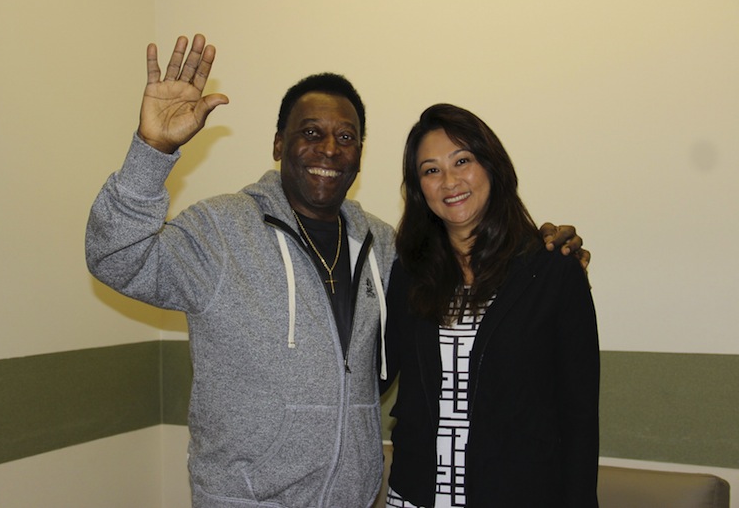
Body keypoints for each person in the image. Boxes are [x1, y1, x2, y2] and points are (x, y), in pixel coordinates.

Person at [86, 34, 586, 508]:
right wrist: (151, 152)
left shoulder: (388, 247)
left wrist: (538, 249)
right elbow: (117, 258)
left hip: (357, 497)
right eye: (310, 133)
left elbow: (470, 262)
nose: (329, 149)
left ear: (360, 155)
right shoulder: (220, 231)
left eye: (345, 137)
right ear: (279, 144)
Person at [381, 104, 600, 508]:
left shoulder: (552, 272)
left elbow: (579, 418)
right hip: (415, 496)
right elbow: (369, 377)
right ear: (418, 188)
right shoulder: (408, 275)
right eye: (431, 170)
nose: (449, 181)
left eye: (462, 160)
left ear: (491, 166)